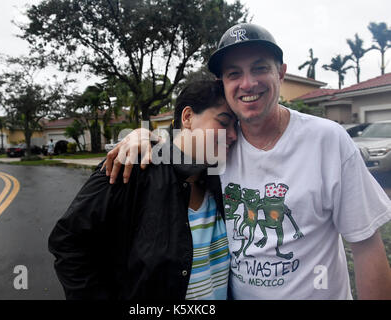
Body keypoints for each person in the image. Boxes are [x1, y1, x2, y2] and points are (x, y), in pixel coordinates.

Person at [104, 23, 391, 299]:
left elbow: (366, 246)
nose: (248, 83)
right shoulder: (220, 146)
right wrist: (142, 136)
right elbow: (182, 146)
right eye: (234, 73)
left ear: (281, 73)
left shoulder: (327, 140)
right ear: (223, 83)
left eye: (259, 68)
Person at [48, 80, 238, 300]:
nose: (233, 135)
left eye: (236, 126)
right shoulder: (131, 166)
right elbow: (68, 242)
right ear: (187, 117)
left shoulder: (221, 178)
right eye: (224, 122)